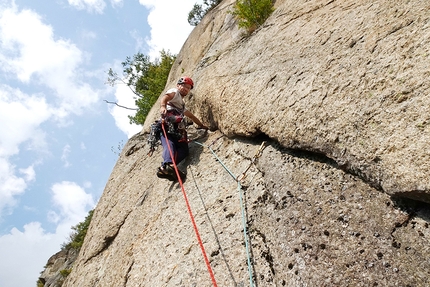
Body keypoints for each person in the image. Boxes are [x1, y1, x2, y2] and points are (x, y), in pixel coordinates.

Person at [156, 76, 208, 180]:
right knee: (169, 145)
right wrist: (162, 106)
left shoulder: (181, 105)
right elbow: (166, 97)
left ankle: (166, 168)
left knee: (184, 150)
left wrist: (202, 125)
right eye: (184, 86)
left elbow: (191, 116)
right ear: (178, 86)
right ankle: (169, 165)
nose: (186, 89)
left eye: (188, 88)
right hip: (166, 126)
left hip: (176, 130)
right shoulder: (175, 92)